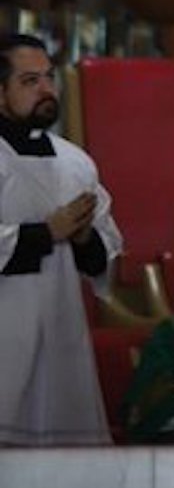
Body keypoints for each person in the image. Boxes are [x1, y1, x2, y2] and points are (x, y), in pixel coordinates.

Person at [0, 33, 124, 445]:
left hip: (62, 336)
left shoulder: (76, 163)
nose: (47, 90)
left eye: (49, 77)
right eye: (29, 81)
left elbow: (104, 259)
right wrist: (45, 234)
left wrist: (84, 238)